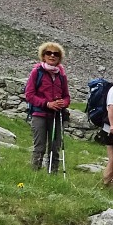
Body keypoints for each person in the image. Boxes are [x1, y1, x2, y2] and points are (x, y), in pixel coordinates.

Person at [24, 41, 71, 172]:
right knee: (39, 146)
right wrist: (47, 103)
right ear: (43, 56)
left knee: (55, 146)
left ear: (59, 58)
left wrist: (63, 103)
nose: (52, 56)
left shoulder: (61, 75)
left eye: (56, 54)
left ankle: (53, 173)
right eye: (48, 53)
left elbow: (67, 96)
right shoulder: (36, 72)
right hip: (39, 114)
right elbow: (29, 94)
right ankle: (35, 173)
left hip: (56, 115)